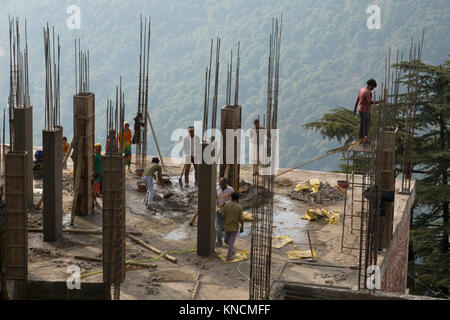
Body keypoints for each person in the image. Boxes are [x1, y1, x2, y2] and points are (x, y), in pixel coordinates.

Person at [353, 79, 381, 144]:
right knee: (364, 124)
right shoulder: (367, 92)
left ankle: (364, 137)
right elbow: (370, 102)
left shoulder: (362, 90)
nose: (373, 89)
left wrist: (355, 109)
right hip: (364, 110)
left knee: (366, 124)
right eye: (373, 87)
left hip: (361, 109)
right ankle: (362, 138)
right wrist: (380, 101)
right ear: (370, 85)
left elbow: (357, 99)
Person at [221, 192, 244, 262]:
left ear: (231, 198)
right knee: (231, 242)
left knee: (228, 241)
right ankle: (229, 257)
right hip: (234, 227)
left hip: (227, 226)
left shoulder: (226, 205)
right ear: (237, 199)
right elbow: (241, 219)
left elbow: (223, 215)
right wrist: (242, 227)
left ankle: (232, 251)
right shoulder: (239, 207)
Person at [216, 177, 234, 247]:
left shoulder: (230, 190)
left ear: (226, 183)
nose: (221, 186)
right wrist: (216, 202)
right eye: (220, 184)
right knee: (218, 226)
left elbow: (232, 199)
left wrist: (225, 203)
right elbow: (216, 197)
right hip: (219, 211)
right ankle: (219, 241)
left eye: (222, 184)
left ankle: (227, 241)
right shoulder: (217, 188)